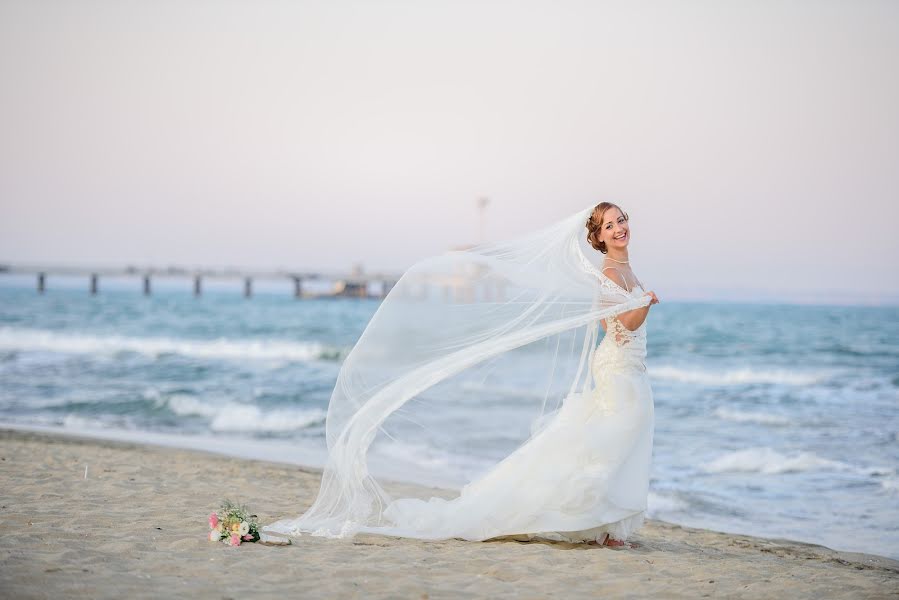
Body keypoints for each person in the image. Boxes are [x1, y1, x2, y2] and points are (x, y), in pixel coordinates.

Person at [263, 202, 660, 547]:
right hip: (617, 367)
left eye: (621, 219)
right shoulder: (609, 273)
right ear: (599, 237)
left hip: (628, 367)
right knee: (614, 439)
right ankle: (606, 529)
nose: (619, 227)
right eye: (609, 225)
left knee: (613, 441)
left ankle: (607, 526)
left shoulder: (626, 270)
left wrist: (640, 302)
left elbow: (615, 326)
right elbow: (618, 327)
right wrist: (644, 304)